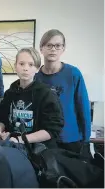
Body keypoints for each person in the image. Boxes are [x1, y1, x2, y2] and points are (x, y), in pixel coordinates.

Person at [0, 47, 64, 148]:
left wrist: (22, 139)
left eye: (31, 64)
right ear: (15, 66)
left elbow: (52, 130)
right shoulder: (10, 93)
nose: (25, 68)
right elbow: (3, 118)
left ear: (37, 68)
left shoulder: (46, 94)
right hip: (13, 147)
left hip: (38, 151)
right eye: (21, 64)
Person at [35, 29, 92, 159]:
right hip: (46, 140)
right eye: (49, 45)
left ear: (63, 48)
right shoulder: (36, 77)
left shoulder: (73, 73)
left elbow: (83, 107)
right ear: (41, 48)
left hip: (72, 139)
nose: (53, 49)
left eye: (57, 45)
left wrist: (86, 140)